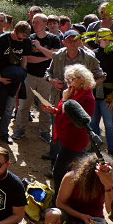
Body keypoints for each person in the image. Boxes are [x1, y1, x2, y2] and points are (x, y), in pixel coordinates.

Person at [41, 64, 97, 193]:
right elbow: (62, 112)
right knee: (63, 170)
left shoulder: (86, 98)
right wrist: (54, 110)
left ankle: (59, 200)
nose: (68, 83)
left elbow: (71, 119)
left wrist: (65, 99)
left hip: (74, 140)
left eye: (71, 79)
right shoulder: (73, 92)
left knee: (60, 172)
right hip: (64, 137)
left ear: (82, 79)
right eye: (67, 80)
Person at [12, 13, 60, 142]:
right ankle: (20, 130)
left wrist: (39, 47)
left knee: (45, 105)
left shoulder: (54, 39)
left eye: (37, 22)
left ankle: (44, 131)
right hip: (30, 76)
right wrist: (47, 55)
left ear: (45, 24)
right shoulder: (29, 39)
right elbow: (28, 59)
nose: (34, 24)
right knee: (24, 105)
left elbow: (56, 56)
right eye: (33, 22)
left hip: (47, 77)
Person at [0, 21, 33, 144]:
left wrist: (22, 73)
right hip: (0, 77)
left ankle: (4, 132)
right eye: (19, 37)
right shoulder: (2, 39)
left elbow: (24, 57)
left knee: (9, 108)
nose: (21, 40)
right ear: (14, 31)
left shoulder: (25, 41)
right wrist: (0, 77)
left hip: (15, 79)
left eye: (24, 38)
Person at [45, 153, 113, 224]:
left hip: (94, 221)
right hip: (70, 215)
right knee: (51, 215)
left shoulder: (110, 181)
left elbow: (110, 211)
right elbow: (60, 203)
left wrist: (108, 186)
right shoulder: (71, 177)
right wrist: (81, 216)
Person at [92, 29, 113, 161]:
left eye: (110, 39)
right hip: (94, 94)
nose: (107, 41)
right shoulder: (92, 55)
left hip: (108, 96)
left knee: (109, 124)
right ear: (98, 39)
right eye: (105, 39)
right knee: (93, 123)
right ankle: (95, 151)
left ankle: (112, 152)